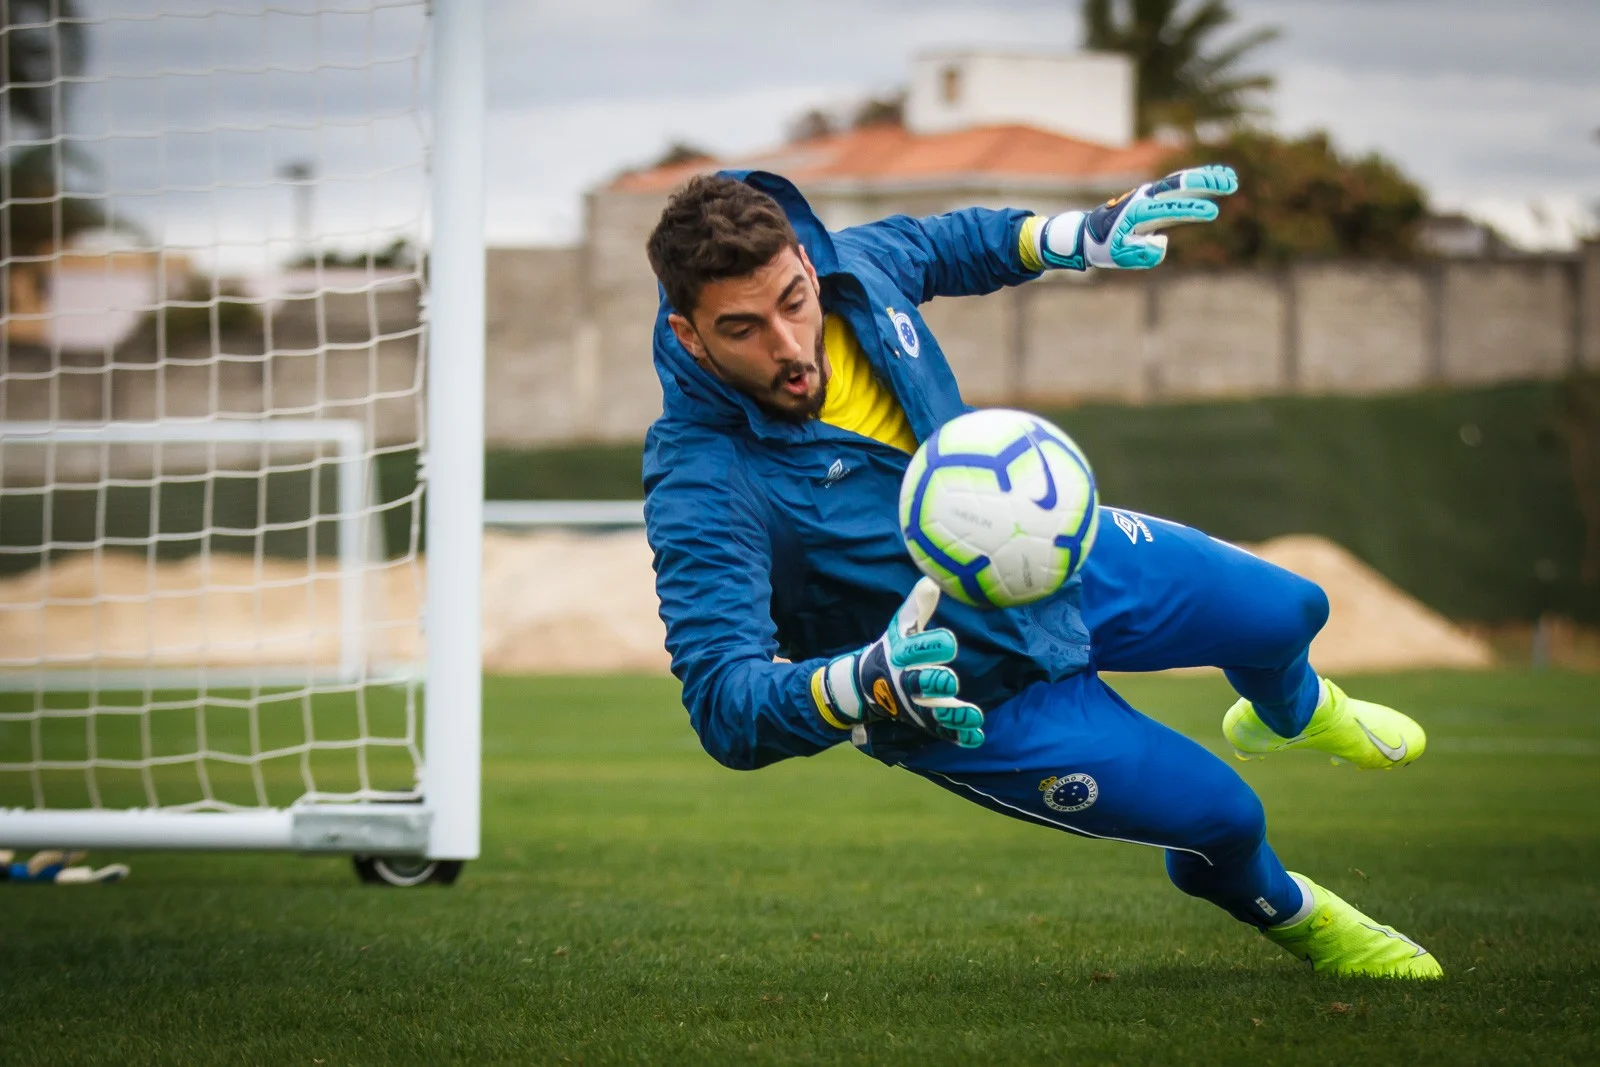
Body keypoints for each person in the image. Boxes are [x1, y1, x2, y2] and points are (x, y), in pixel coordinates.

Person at [640, 167, 1440, 978]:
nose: (785, 346)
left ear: (808, 269)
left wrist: (1075, 237)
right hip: (968, 694)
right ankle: (1295, 911)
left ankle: (1291, 712)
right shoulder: (702, 481)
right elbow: (722, 700)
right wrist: (862, 686)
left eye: (791, 303)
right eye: (741, 329)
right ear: (688, 334)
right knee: (1226, 818)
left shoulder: (852, 266)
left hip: (1057, 560)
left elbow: (946, 245)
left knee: (1290, 610)